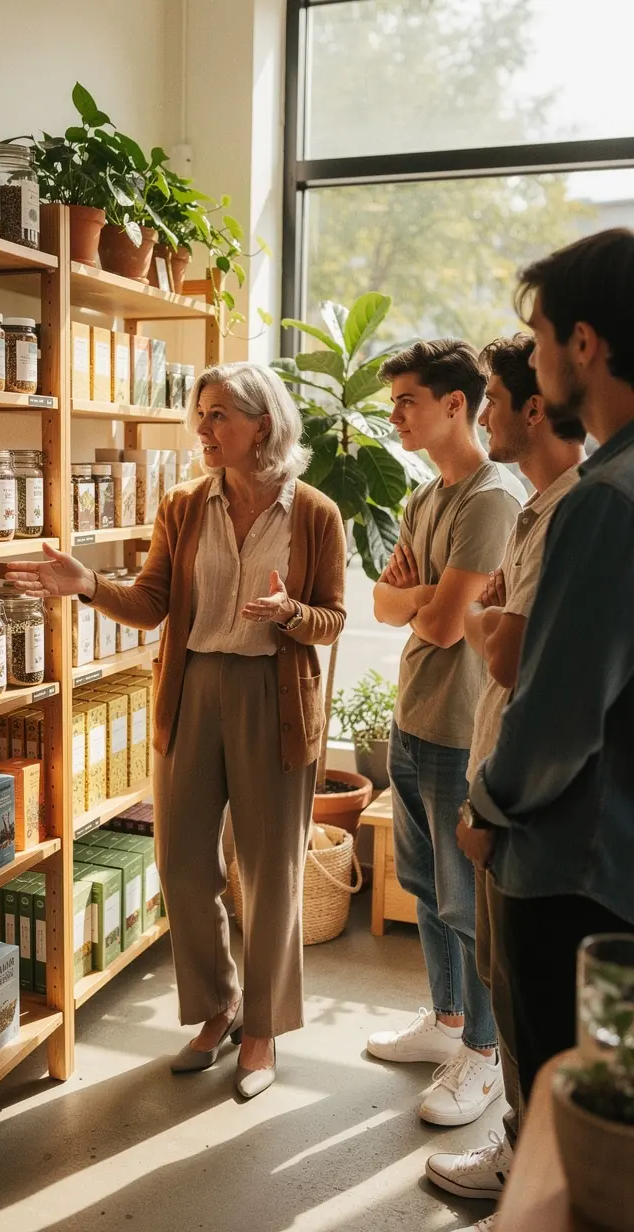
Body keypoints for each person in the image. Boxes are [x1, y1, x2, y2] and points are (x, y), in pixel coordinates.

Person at [7, 361, 346, 1100]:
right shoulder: (185, 504)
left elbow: (333, 618)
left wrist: (291, 613)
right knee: (182, 862)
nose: (203, 428)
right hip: (192, 689)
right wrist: (89, 585)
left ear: (264, 424)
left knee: (269, 872)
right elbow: (154, 602)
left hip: (273, 696)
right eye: (200, 414)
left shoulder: (315, 513)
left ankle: (261, 1031)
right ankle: (218, 1004)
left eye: (219, 414)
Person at [459, 230, 634, 1149]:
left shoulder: (606, 499)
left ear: (585, 344)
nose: (530, 360)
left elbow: (556, 709)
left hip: (574, 869)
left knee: (561, 1130)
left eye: (538, 337)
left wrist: (487, 803)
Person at [424, 334, 585, 1226]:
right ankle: (522, 1148)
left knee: (526, 997)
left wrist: (481, 618)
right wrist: (482, 619)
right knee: (503, 972)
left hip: (521, 803)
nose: (483, 414)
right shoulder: (537, 509)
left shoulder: (569, 513)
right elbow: (473, 622)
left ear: (533, 407)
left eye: (491, 397)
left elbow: (508, 651)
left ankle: (528, 1167)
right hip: (499, 777)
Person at [367, 339, 525, 1128]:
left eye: (407, 400)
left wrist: (422, 602)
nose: (394, 413)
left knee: (467, 906)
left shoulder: (492, 498)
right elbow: (385, 606)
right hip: (413, 717)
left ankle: (487, 1056)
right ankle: (448, 1021)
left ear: (454, 404)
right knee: (427, 889)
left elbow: (439, 619)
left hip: (463, 733)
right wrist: (424, 604)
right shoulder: (423, 499)